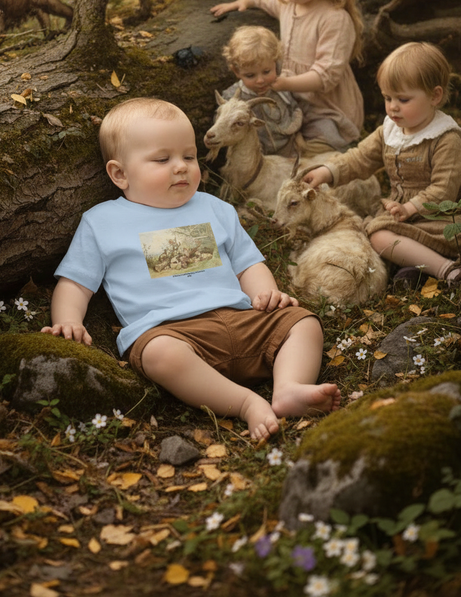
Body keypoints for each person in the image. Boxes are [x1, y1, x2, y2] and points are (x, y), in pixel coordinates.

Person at [41, 97, 341, 439]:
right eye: (162, 159)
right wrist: (68, 321)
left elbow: (248, 264)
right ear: (120, 173)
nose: (181, 166)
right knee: (159, 355)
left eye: (189, 156)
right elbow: (75, 283)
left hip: (242, 320)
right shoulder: (102, 222)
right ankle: (244, 403)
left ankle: (289, 388)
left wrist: (265, 294)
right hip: (173, 333)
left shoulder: (214, 208)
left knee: (302, 323)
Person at [302, 42, 461, 286]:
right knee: (375, 236)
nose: (393, 106)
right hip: (399, 215)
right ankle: (413, 269)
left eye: (403, 99)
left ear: (434, 96)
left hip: (436, 218)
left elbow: (444, 189)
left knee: (378, 237)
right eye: (388, 97)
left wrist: (410, 208)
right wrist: (327, 170)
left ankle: (447, 270)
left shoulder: (446, 138)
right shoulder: (390, 130)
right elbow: (360, 157)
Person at [211, 0, 365, 153]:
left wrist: (285, 83)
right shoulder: (288, 2)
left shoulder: (334, 18)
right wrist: (242, 2)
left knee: (315, 148)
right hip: (292, 99)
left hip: (326, 106)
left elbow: (326, 76)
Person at [220, 25, 304, 157]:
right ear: (236, 71)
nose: (260, 80)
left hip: (288, 149)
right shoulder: (233, 97)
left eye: (266, 72)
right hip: (257, 156)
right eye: (250, 75)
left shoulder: (280, 88)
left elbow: (293, 110)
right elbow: (222, 124)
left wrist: (297, 134)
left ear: (276, 63)